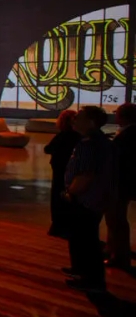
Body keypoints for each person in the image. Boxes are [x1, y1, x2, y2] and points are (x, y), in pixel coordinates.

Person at [61, 106, 116, 292]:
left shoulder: (89, 146)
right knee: (83, 238)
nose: (74, 119)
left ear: (91, 122)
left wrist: (71, 192)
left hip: (85, 199)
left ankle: (90, 278)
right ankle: (81, 270)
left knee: (85, 241)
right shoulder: (99, 142)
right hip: (93, 198)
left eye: (79, 117)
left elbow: (86, 175)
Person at [105, 103, 136, 268]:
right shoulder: (130, 134)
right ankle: (114, 251)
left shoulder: (126, 136)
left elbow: (119, 161)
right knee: (117, 219)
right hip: (124, 183)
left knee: (116, 220)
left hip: (120, 184)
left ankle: (119, 256)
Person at [44, 109, 80, 238]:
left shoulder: (63, 135)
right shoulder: (79, 136)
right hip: (73, 170)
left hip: (60, 168)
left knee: (58, 194)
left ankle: (58, 226)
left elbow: (48, 149)